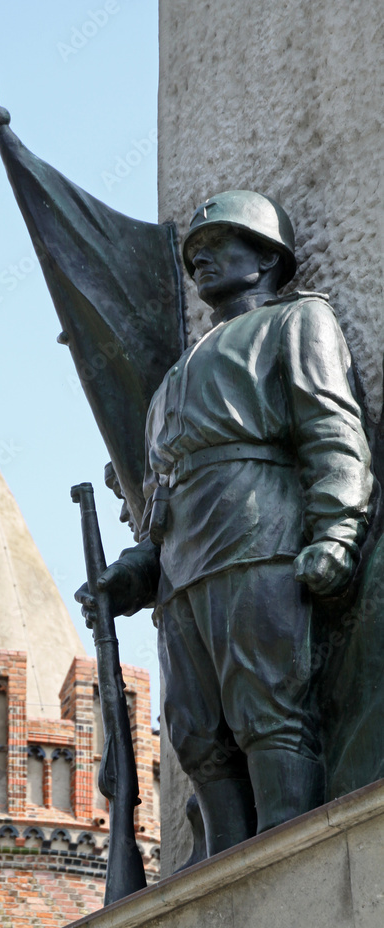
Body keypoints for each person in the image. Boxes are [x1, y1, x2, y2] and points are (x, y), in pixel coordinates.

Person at [77, 191, 373, 856]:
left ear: (267, 255)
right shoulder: (169, 386)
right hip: (182, 573)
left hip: (258, 538)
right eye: (194, 254)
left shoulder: (297, 321)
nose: (201, 261)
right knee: (193, 733)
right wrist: (127, 576)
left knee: (268, 709)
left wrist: (336, 532)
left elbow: (331, 431)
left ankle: (285, 858)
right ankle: (222, 872)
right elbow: (157, 512)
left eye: (220, 244)